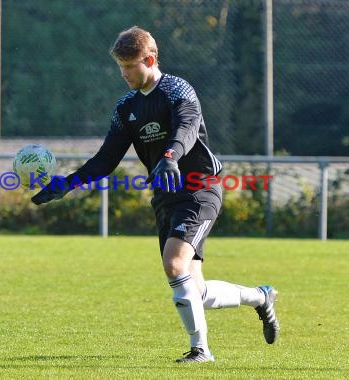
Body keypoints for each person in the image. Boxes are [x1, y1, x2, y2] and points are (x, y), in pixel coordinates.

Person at [31, 26, 279, 363]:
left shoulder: (178, 90)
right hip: (165, 197)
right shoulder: (125, 108)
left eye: (130, 66)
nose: (124, 74)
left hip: (199, 188)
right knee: (196, 289)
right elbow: (107, 158)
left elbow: (187, 129)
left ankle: (200, 350)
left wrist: (169, 157)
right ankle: (260, 298)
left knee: (175, 265)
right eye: (120, 67)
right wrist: (67, 183)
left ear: (150, 59)